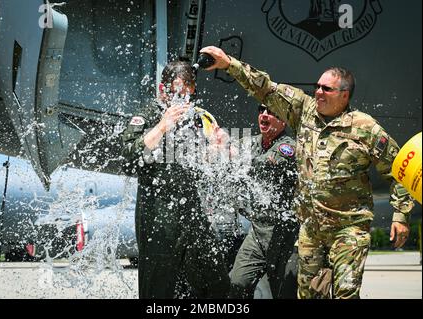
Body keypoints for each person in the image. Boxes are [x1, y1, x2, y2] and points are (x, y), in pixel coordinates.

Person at [199, 46, 415, 299]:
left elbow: (398, 169)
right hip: (311, 229)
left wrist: (401, 215)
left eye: (327, 88)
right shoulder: (304, 111)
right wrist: (229, 64)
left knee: (345, 293)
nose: (319, 92)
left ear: (344, 95)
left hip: (349, 229)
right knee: (309, 295)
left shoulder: (365, 128)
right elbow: (266, 88)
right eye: (318, 86)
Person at [119, 61, 229, 298]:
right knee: (158, 289)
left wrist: (219, 149)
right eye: (177, 93)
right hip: (158, 219)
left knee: (216, 283)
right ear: (162, 89)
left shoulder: (198, 119)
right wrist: (162, 126)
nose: (182, 101)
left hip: (192, 214)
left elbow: (206, 166)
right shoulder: (148, 114)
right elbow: (127, 160)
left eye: (188, 95)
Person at [229, 104, 299, 299]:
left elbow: (266, 164)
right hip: (258, 232)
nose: (264, 116)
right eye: (261, 111)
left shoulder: (289, 147)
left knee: (285, 292)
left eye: (271, 112)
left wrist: (237, 157)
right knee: (237, 283)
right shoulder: (250, 143)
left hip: (285, 234)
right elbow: (226, 153)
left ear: (283, 120)